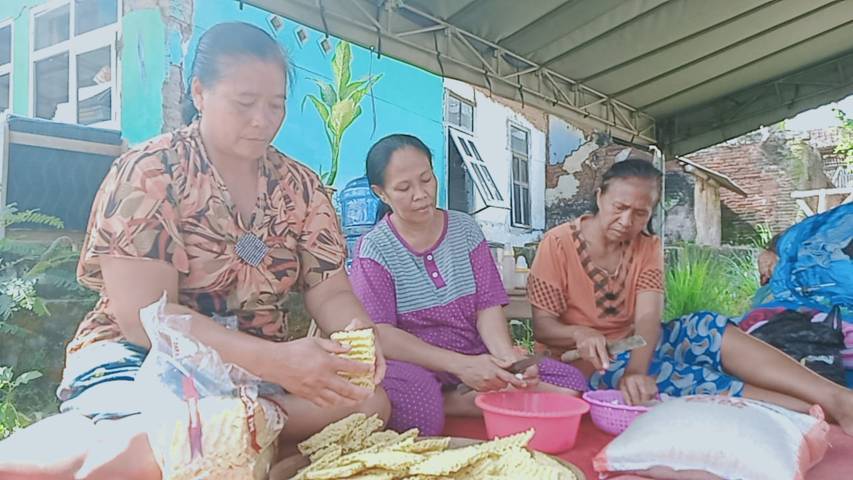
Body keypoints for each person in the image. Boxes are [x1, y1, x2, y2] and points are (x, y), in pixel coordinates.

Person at [0, 22, 388, 479]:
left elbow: (330, 290)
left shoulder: (301, 188)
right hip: (142, 358)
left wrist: (356, 338)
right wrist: (276, 362)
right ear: (200, 92)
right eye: (245, 104)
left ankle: (233, 429)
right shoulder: (150, 172)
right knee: (143, 448)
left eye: (275, 105)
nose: (263, 120)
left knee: (370, 402)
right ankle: (205, 436)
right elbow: (146, 320)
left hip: (261, 374)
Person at [528, 158, 853, 435]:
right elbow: (543, 328)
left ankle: (837, 396)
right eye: (620, 207)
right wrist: (578, 333)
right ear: (600, 197)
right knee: (676, 374)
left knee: (705, 326)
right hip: (584, 362)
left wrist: (636, 371)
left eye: (640, 213)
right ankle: (815, 410)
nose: (627, 221)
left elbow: (647, 318)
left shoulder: (647, 245)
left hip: (635, 344)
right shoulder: (557, 244)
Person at [349, 134, 586, 436]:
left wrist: (505, 358)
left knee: (570, 384)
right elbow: (382, 334)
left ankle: (481, 396)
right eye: (404, 188)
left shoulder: (465, 229)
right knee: (421, 409)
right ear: (381, 193)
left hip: (476, 355)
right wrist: (461, 366)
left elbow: (486, 306)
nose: (421, 194)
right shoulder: (375, 249)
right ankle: (454, 401)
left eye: (426, 179)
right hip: (415, 365)